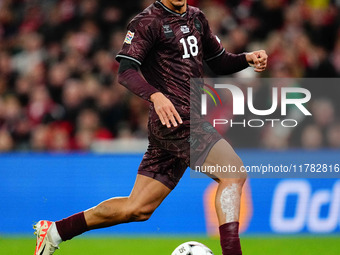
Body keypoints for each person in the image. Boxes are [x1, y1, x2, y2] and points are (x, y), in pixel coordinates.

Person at [33, 1, 267, 255]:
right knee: (233, 172)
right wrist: (155, 95)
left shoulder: (197, 18)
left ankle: (55, 231)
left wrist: (246, 59)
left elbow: (219, 61)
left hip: (177, 123)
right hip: (176, 121)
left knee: (137, 208)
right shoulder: (147, 22)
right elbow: (126, 71)